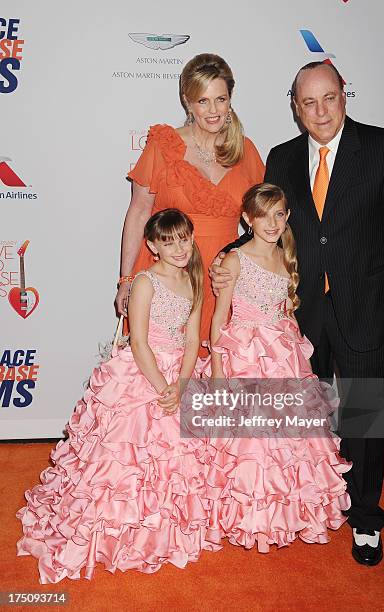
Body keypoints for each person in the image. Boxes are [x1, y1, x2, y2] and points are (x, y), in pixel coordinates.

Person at [212, 62, 384, 565]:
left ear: (344, 95)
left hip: (366, 308)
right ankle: (316, 500)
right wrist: (229, 259)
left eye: (329, 98)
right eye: (309, 102)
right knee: (310, 417)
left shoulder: (383, 146)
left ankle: (366, 519)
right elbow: (268, 226)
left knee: (363, 415)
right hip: (300, 314)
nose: (320, 111)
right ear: (295, 106)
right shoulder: (283, 157)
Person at [17, 209, 221, 583]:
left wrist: (184, 382)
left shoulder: (193, 280)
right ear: (152, 246)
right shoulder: (145, 282)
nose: (179, 248)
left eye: (184, 239)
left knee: (180, 461)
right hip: (143, 375)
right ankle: (116, 532)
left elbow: (194, 338)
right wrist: (164, 388)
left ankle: (168, 529)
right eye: (168, 241)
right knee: (125, 460)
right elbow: (139, 341)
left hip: (179, 375)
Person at [200, 183, 351, 552]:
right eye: (264, 215)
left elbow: (287, 310)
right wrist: (219, 371)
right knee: (249, 444)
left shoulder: (287, 256)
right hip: (246, 355)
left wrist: (301, 358)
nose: (273, 223)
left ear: (287, 217)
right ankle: (246, 514)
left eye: (280, 214)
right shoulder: (234, 260)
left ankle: (286, 511)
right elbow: (219, 320)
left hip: (284, 353)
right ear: (247, 219)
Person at [116, 53, 264, 349]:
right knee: (165, 369)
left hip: (221, 276)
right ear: (187, 101)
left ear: (230, 99)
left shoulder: (245, 151)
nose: (213, 111)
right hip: (170, 274)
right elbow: (139, 211)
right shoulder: (164, 145)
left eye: (220, 99)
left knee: (217, 372)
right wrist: (126, 279)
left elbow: (261, 223)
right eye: (203, 101)